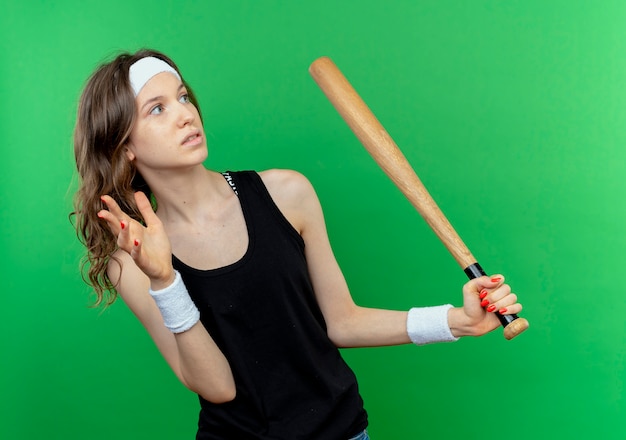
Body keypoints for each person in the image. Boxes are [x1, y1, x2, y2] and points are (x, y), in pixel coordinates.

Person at [72, 49, 523, 440]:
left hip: (341, 433)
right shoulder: (131, 258)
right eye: (157, 109)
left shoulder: (287, 194)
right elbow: (218, 387)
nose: (186, 114)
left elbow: (341, 322)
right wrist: (165, 281)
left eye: (184, 97)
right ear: (125, 146)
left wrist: (455, 321)